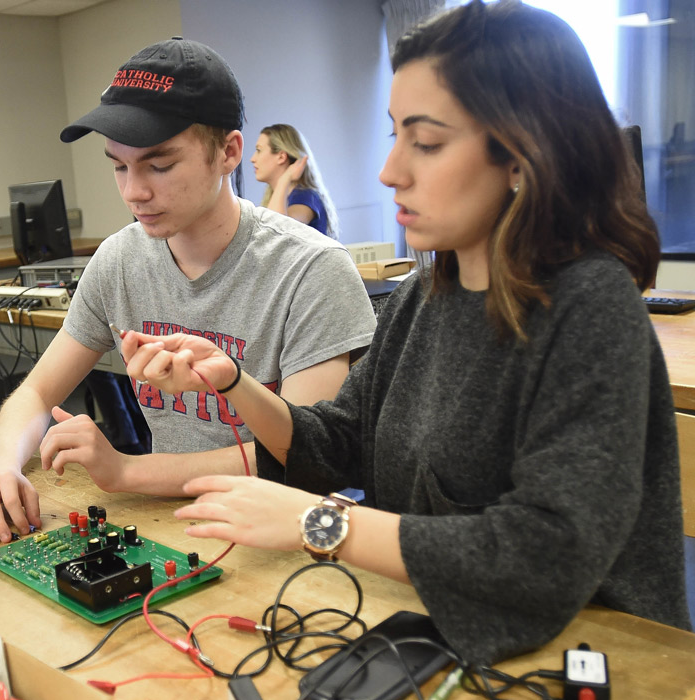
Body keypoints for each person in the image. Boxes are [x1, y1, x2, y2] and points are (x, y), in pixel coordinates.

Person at [118, 0, 690, 666]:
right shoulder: (426, 294)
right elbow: (339, 443)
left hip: (595, 655)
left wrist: (319, 523)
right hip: (433, 630)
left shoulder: (592, 307)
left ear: (523, 155)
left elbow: (545, 554)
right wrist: (234, 382)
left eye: (426, 141)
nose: (390, 170)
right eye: (394, 136)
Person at [0, 37, 376, 546]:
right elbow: (38, 392)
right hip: (170, 525)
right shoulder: (119, 260)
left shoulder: (312, 270)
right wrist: (1, 468)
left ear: (228, 152)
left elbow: (304, 456)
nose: (134, 191)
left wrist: (128, 473)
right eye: (118, 165)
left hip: (284, 536)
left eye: (159, 165)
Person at [251, 124, 340, 238]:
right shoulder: (278, 198)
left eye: (259, 150)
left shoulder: (306, 197)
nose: (252, 159)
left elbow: (275, 232)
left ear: (281, 157)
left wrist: (285, 177)